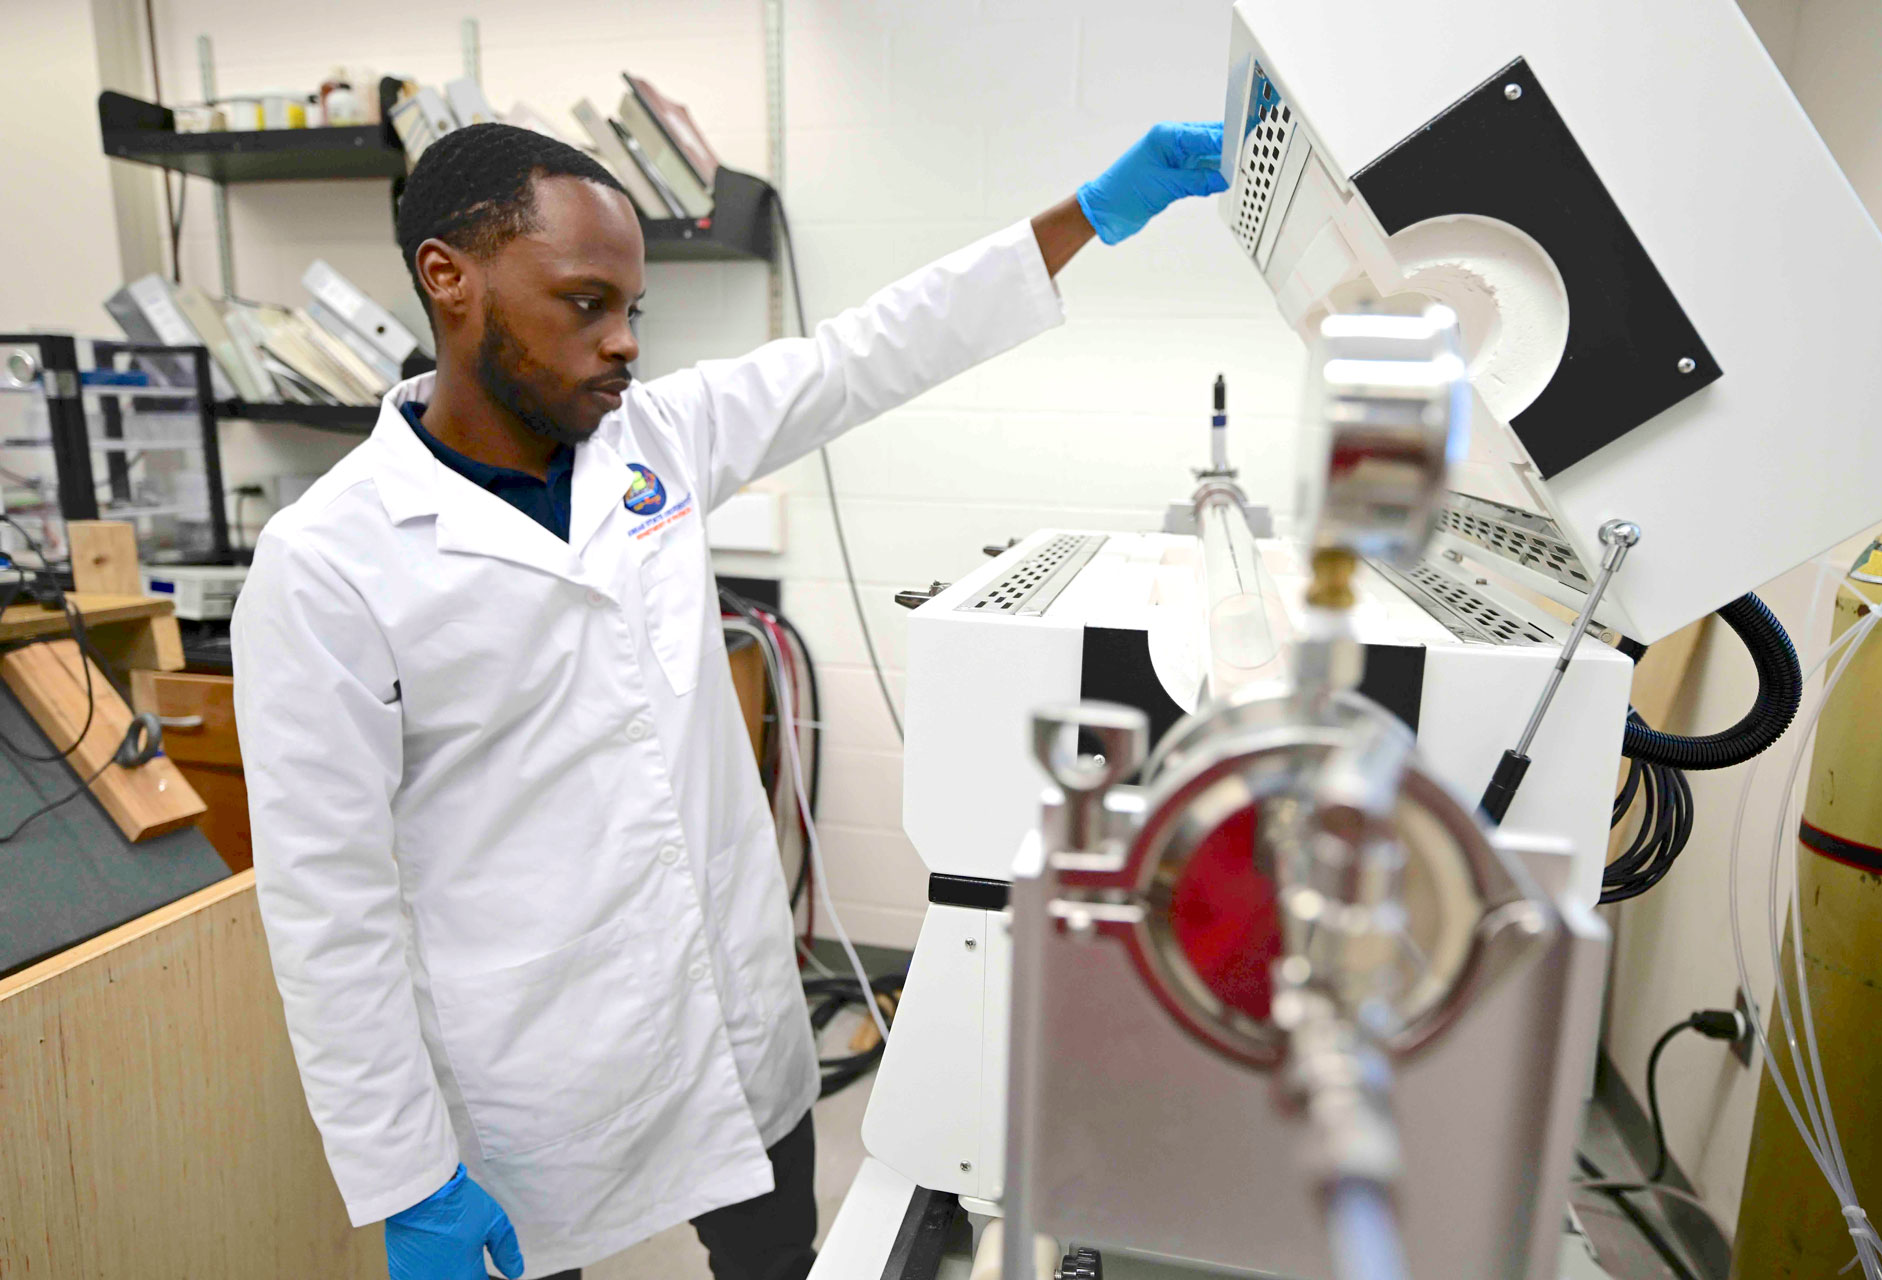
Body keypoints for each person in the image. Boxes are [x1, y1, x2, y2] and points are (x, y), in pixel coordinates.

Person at [232, 118, 1227, 1280]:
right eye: (585, 303)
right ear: (448, 277)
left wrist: (1086, 218)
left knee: (778, 1256)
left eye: (633, 312)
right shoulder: (327, 562)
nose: (622, 345)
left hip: (734, 1021)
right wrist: (405, 1175)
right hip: (530, 1078)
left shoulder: (654, 439)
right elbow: (326, 903)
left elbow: (863, 354)